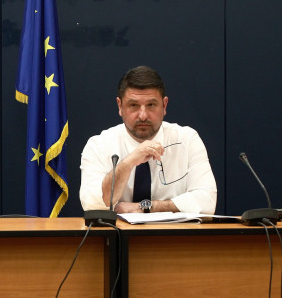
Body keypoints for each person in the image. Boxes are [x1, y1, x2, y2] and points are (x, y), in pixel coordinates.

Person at [80, 66, 217, 214]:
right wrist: (128, 162)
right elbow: (92, 205)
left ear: (164, 105)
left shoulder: (187, 140)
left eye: (151, 105)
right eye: (134, 105)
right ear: (120, 106)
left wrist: (146, 207)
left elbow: (207, 202)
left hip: (174, 229)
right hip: (117, 230)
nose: (143, 115)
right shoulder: (99, 145)